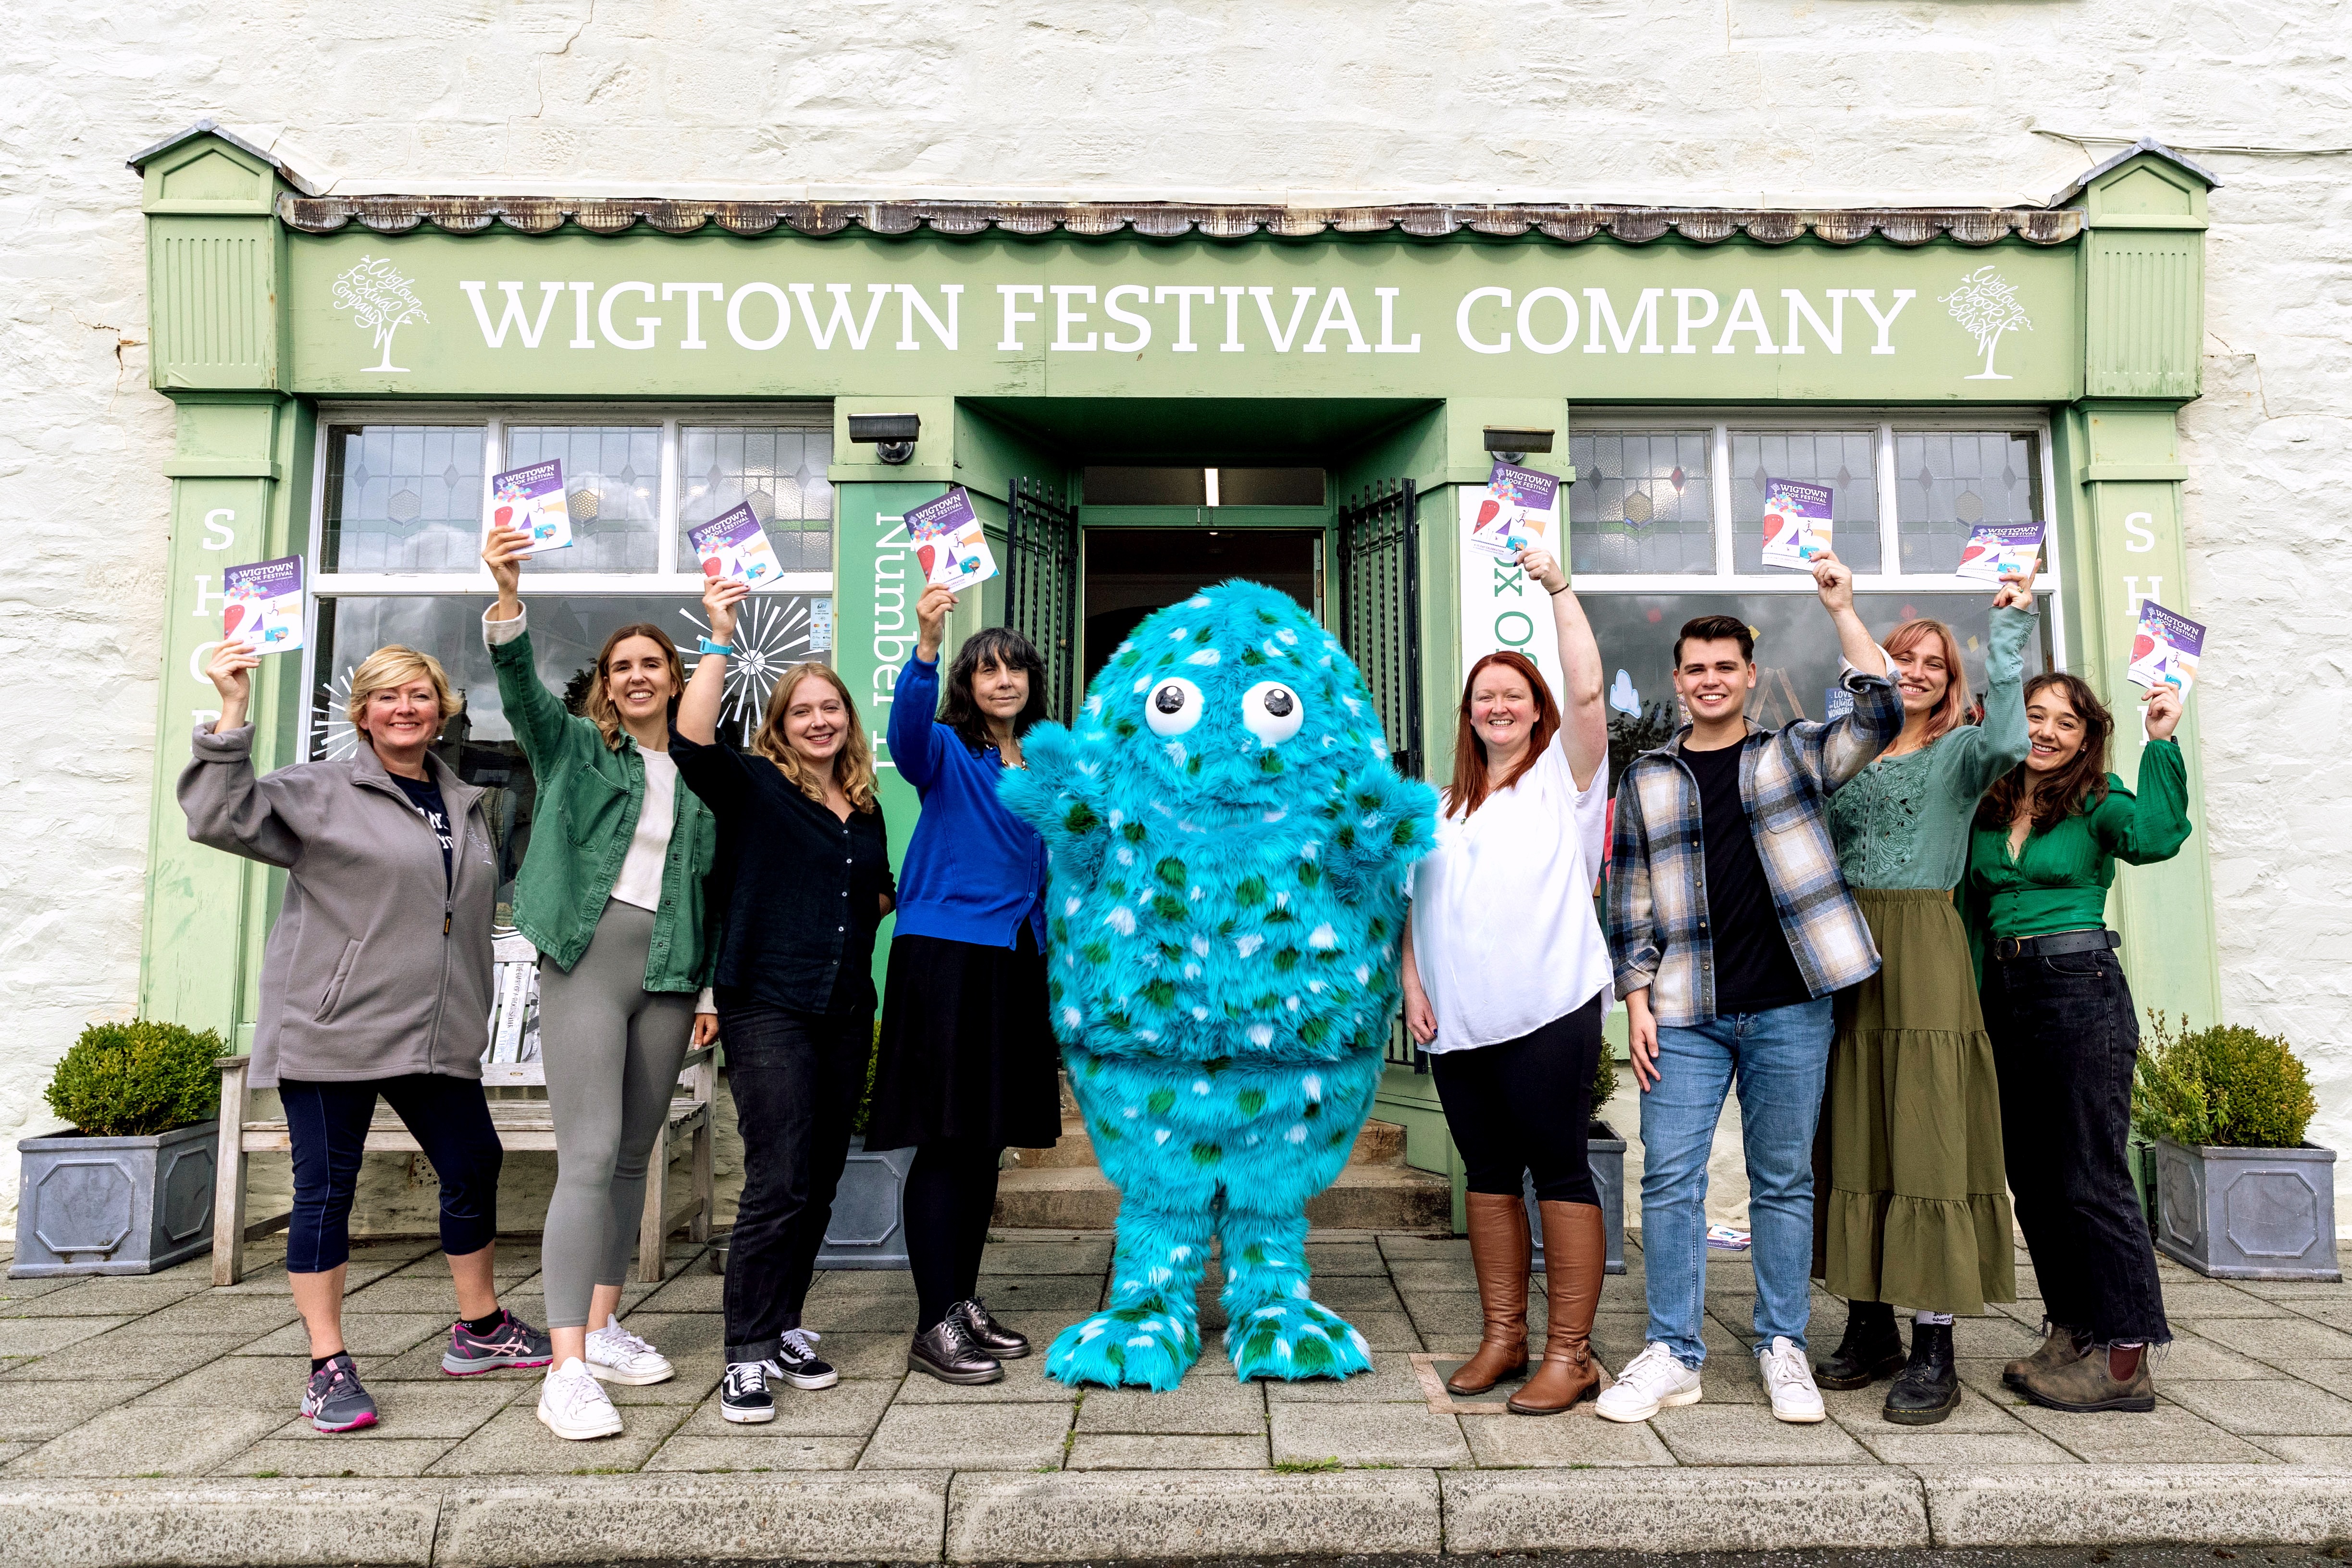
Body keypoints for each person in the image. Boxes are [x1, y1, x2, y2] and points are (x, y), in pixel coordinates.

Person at [180, 641, 551, 1436]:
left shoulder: (462, 801)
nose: (405, 708)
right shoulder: (319, 790)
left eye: (420, 695)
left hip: (433, 1033)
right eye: (387, 697)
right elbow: (218, 817)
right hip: (333, 1027)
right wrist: (232, 711)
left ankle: (480, 1328)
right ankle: (326, 1366)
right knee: (324, 1195)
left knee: (472, 1162)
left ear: (444, 707)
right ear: (362, 714)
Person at [1597, 554, 1902, 1427]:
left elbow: (1880, 713)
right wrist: (1635, 999)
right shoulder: (1647, 775)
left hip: (1789, 1006)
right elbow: (1630, 898)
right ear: (1677, 679)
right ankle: (1673, 1354)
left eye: (1724, 667)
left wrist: (1842, 609)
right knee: (1669, 1181)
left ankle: (1781, 1345)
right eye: (1694, 668)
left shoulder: (1795, 754)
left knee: (1780, 1181)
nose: (1708, 680)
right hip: (1686, 1013)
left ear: (1749, 677)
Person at [479, 528, 718, 1441]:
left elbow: (711, 889)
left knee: (631, 1157)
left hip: (669, 972)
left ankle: (606, 1321)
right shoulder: (577, 749)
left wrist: (706, 993)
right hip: (587, 960)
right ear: (607, 683)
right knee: (585, 1155)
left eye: (652, 663)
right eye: (622, 666)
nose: (636, 676)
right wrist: (507, 597)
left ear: (674, 674)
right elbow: (520, 695)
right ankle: (565, 1364)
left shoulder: (697, 777)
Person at [671, 572, 897, 1425]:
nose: (817, 721)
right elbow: (692, 744)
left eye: (829, 710)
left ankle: (788, 1323)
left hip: (844, 1007)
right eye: (801, 710)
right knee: (776, 1178)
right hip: (766, 1003)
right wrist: (721, 635)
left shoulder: (865, 809)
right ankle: (744, 1354)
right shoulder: (756, 787)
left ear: (846, 723)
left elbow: (873, 893)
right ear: (781, 723)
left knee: (822, 1176)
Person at [1811, 575, 2035, 1425]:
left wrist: (2007, 629)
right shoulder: (1843, 753)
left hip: (1923, 950)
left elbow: (2011, 732)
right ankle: (1869, 1324)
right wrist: (1841, 608)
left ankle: (1935, 1341)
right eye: (1901, 659)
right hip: (1843, 953)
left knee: (1928, 1136)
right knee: (1853, 1129)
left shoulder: (1960, 755)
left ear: (1949, 682)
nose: (1913, 673)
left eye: (1932, 665)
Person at [1400, 544, 1613, 1415]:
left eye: (1513, 695)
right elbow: (1406, 908)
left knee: (1557, 1168)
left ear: (1536, 713)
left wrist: (1558, 589)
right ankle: (1504, 1336)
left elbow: (1590, 690)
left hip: (1548, 1008)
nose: (1497, 706)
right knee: (1484, 1171)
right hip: (1454, 1020)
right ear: (1469, 713)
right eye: (1484, 696)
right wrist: (1412, 985)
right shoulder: (1437, 806)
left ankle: (1571, 1352)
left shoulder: (1565, 781)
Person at [1964, 671, 2190, 1414]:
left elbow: (2156, 839)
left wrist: (2161, 739)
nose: (2046, 732)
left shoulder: (2099, 799)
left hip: (2077, 987)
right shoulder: (1993, 804)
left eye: (2066, 723)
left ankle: (2124, 1360)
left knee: (2091, 1173)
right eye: (2034, 716)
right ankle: (2073, 1332)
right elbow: (1972, 910)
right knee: (2032, 1175)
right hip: (2007, 992)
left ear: (2087, 737)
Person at [872, 584, 1060, 1385]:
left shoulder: (1048, 759)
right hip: (948, 954)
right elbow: (903, 738)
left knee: (984, 1142)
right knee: (948, 1138)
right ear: (968, 685)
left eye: (1015, 669)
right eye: (986, 671)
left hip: (1016, 956)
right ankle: (931, 1322)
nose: (1003, 681)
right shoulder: (947, 750)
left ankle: (962, 1301)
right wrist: (925, 643)